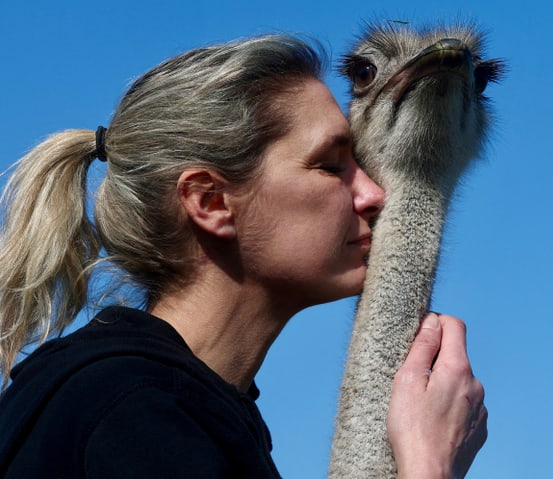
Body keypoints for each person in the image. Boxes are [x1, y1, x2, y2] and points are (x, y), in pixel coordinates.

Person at [0, 34, 487, 478]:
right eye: (330, 166)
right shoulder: (133, 414)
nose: (372, 194)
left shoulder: (182, 414)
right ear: (212, 203)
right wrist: (427, 464)